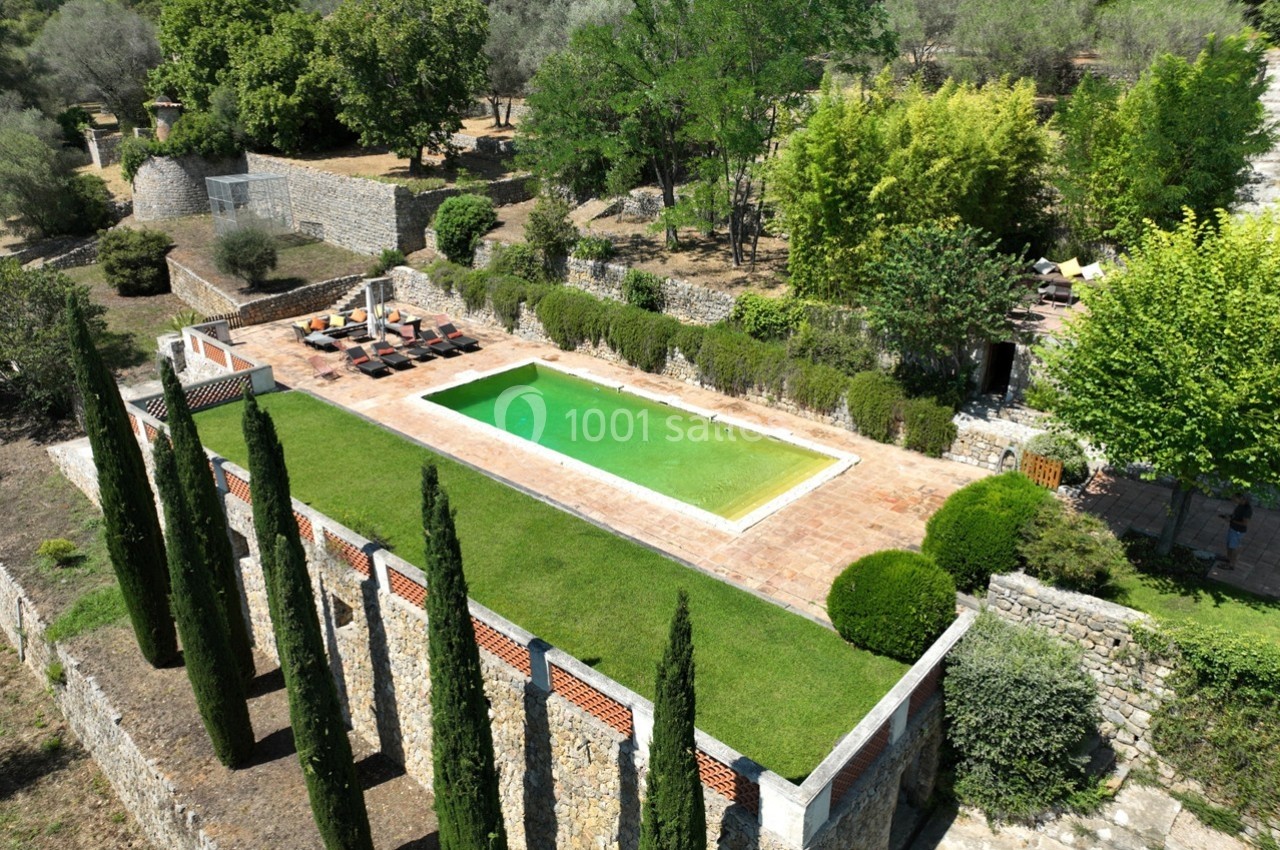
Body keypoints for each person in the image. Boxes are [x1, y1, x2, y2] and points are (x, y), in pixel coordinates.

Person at [1219, 493, 1252, 569]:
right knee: (1229, 545)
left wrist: (1231, 520)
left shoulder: (1247, 510)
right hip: (1233, 528)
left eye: (1235, 498)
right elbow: (1236, 516)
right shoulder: (1240, 505)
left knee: (1234, 547)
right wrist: (1228, 516)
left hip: (1238, 531)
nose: (1233, 500)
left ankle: (1231, 565)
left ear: (1242, 499)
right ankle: (1228, 558)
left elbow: (1244, 523)